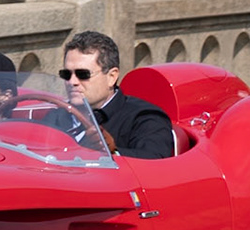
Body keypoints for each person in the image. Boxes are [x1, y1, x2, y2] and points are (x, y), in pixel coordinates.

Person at [61, 31, 173, 159]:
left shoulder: (144, 118)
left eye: (83, 74)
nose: (72, 82)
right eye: (66, 74)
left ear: (111, 77)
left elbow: (155, 161)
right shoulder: (55, 115)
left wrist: (113, 152)